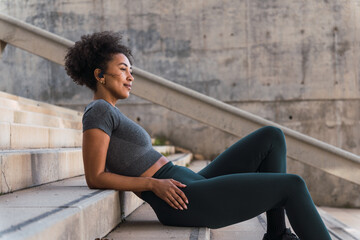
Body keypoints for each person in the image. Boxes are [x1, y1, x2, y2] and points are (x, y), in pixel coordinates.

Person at [64, 31, 331, 240]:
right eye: (123, 69)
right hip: (182, 198)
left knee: (271, 137)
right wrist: (152, 185)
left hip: (188, 180)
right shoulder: (98, 110)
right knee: (292, 185)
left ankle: (276, 234)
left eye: (131, 70)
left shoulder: (110, 111)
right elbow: (95, 177)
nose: (130, 77)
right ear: (100, 75)